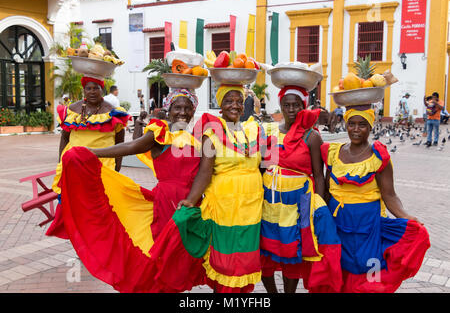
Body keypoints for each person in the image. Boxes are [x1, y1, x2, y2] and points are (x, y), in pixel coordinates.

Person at [52, 88, 202, 292]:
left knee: (183, 260)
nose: (182, 112)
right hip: (167, 206)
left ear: (194, 110)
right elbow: (132, 146)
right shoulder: (160, 133)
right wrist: (92, 152)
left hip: (192, 207)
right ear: (168, 109)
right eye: (177, 107)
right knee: (164, 259)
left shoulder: (198, 137)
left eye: (187, 108)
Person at [152, 84, 264, 293]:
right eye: (229, 101)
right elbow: (205, 170)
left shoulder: (254, 129)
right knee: (226, 258)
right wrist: (192, 200)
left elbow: (265, 165)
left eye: (239, 101)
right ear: (220, 105)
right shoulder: (211, 130)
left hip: (251, 207)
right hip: (224, 205)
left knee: (245, 257)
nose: (235, 105)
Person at [321, 107, 430, 293]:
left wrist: (407, 216)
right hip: (337, 224)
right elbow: (326, 191)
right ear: (345, 125)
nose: (356, 129)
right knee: (339, 267)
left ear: (371, 128)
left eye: (362, 125)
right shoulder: (333, 153)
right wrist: (319, 220)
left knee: (369, 269)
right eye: (351, 124)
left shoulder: (379, 158)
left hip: (368, 227)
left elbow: (390, 195)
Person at [259, 85, 342, 293]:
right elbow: (261, 167)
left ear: (303, 106)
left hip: (298, 204)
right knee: (264, 251)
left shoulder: (311, 136)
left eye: (296, 105)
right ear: (280, 106)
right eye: (286, 105)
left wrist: (318, 204)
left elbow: (318, 174)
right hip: (269, 202)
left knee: (291, 251)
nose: (291, 109)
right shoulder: (270, 132)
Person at [46, 76, 131, 239]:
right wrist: (61, 161)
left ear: (102, 90)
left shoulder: (113, 112)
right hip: (74, 165)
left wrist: (117, 168)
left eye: (96, 88)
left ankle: (98, 240)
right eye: (88, 88)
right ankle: (80, 240)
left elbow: (119, 142)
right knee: (74, 205)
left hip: (102, 166)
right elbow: (65, 137)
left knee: (100, 207)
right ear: (84, 90)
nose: (92, 92)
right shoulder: (72, 110)